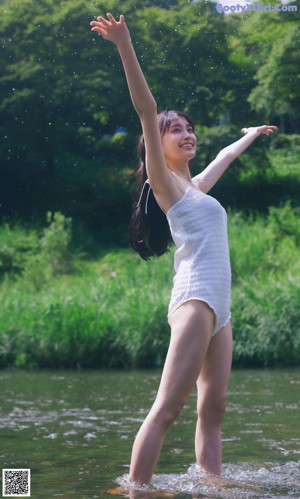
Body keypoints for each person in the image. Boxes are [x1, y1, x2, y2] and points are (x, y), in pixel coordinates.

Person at [90, 13, 277, 486]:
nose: (186, 134)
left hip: (222, 308)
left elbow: (222, 158)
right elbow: (146, 107)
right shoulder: (163, 183)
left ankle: (210, 485)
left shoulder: (196, 188)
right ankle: (137, 490)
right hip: (195, 300)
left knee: (213, 408)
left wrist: (250, 135)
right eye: (176, 130)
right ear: (158, 142)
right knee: (168, 408)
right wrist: (124, 44)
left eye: (190, 128)